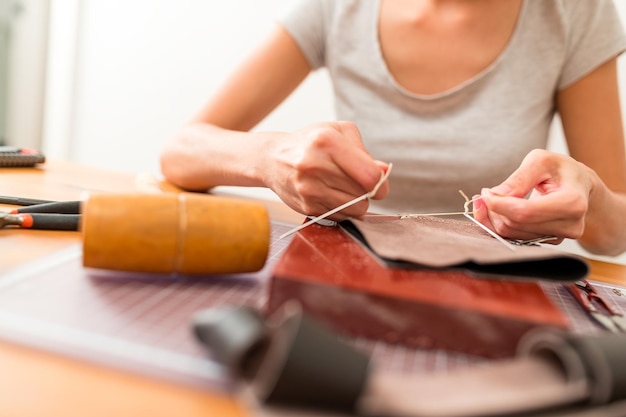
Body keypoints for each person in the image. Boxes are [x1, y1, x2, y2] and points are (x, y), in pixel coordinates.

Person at [160, 0, 626, 257]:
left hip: (502, 297)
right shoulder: (340, 8)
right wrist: (269, 157)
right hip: (342, 278)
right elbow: (180, 151)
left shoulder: (574, 11)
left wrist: (592, 197)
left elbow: (614, 234)